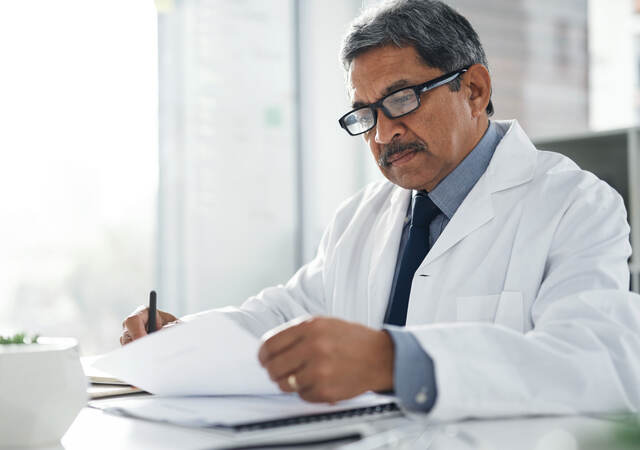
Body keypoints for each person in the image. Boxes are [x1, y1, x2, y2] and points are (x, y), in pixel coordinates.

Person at [121, 0, 640, 420]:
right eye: (365, 113)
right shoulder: (360, 217)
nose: (384, 132)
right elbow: (281, 315)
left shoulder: (574, 204)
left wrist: (393, 361)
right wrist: (181, 338)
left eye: (402, 99)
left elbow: (599, 361)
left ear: (475, 89)